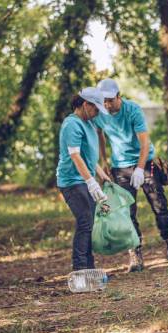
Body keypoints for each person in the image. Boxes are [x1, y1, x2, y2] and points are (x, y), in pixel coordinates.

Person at [94, 78, 168, 272]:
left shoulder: (133, 110)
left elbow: (145, 143)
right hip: (120, 167)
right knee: (127, 212)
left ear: (118, 96)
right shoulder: (100, 113)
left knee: (159, 204)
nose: (107, 104)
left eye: (110, 100)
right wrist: (105, 161)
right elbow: (100, 134)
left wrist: (140, 168)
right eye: (103, 101)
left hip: (145, 162)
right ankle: (135, 254)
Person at [56, 87, 111, 272]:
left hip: (84, 178)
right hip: (72, 181)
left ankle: (89, 267)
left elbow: (88, 156)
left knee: (90, 223)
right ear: (85, 104)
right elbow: (75, 156)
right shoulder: (72, 124)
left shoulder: (88, 123)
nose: (97, 113)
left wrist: (101, 174)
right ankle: (80, 269)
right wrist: (91, 182)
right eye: (95, 108)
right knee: (85, 222)